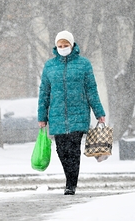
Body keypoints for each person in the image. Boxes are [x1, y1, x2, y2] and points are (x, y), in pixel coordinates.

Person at [37, 30, 106, 195]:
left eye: (65, 45)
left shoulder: (84, 64)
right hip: (57, 115)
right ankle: (70, 177)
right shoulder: (50, 66)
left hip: (79, 114)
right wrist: (42, 116)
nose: (62, 48)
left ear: (72, 45)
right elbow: (44, 92)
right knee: (61, 150)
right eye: (59, 45)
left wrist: (99, 112)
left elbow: (91, 90)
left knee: (73, 149)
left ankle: (70, 184)